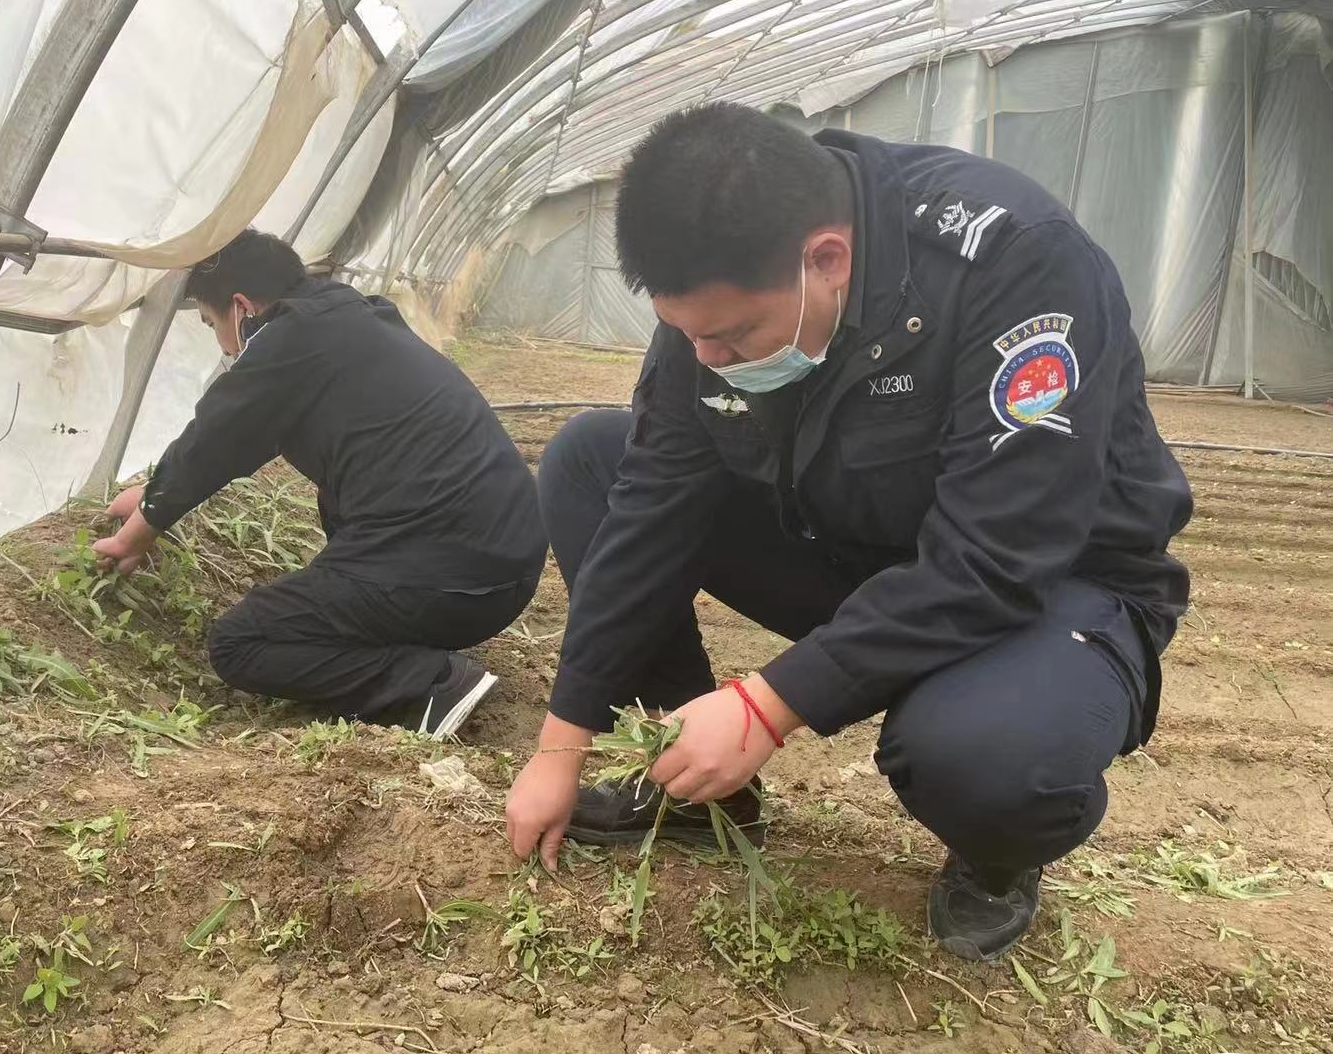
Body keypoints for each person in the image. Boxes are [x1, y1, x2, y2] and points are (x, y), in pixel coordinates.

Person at [503, 103, 1193, 961]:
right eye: (687, 335)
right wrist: (560, 746)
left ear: (826, 259)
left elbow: (997, 555)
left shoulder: (1015, 261)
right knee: (590, 463)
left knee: (984, 756)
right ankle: (692, 786)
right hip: (857, 546)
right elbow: (652, 500)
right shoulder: (730, 273)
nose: (707, 358)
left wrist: (766, 705)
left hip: (1046, 586)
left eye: (730, 334)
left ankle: (993, 856)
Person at [94, 228, 546, 739]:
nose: (221, 343)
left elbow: (217, 434)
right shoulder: (345, 315)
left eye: (210, 323)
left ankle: (430, 684)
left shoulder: (288, 339)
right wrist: (158, 491)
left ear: (241, 309)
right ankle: (413, 644)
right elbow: (232, 440)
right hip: (506, 566)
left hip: (452, 579)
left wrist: (138, 532)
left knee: (241, 642)